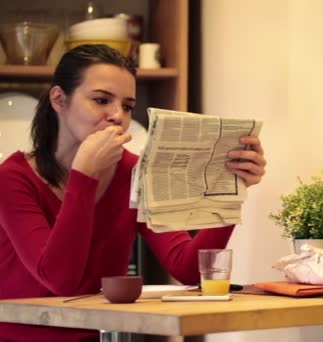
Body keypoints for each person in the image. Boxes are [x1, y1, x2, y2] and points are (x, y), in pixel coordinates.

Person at [0, 44, 266, 342]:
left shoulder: (133, 172)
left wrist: (229, 190)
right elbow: (61, 280)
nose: (118, 116)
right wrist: (84, 177)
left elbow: (188, 268)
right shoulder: (13, 177)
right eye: (101, 100)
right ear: (59, 99)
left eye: (127, 106)